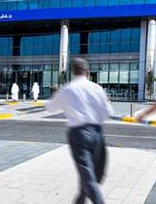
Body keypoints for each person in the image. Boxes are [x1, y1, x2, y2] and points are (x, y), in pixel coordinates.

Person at [47, 58, 113, 204]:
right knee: (88, 172)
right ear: (87, 72)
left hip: (79, 135)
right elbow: (108, 113)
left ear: (73, 72)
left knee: (88, 176)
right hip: (97, 133)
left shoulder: (68, 89)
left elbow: (51, 107)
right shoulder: (97, 88)